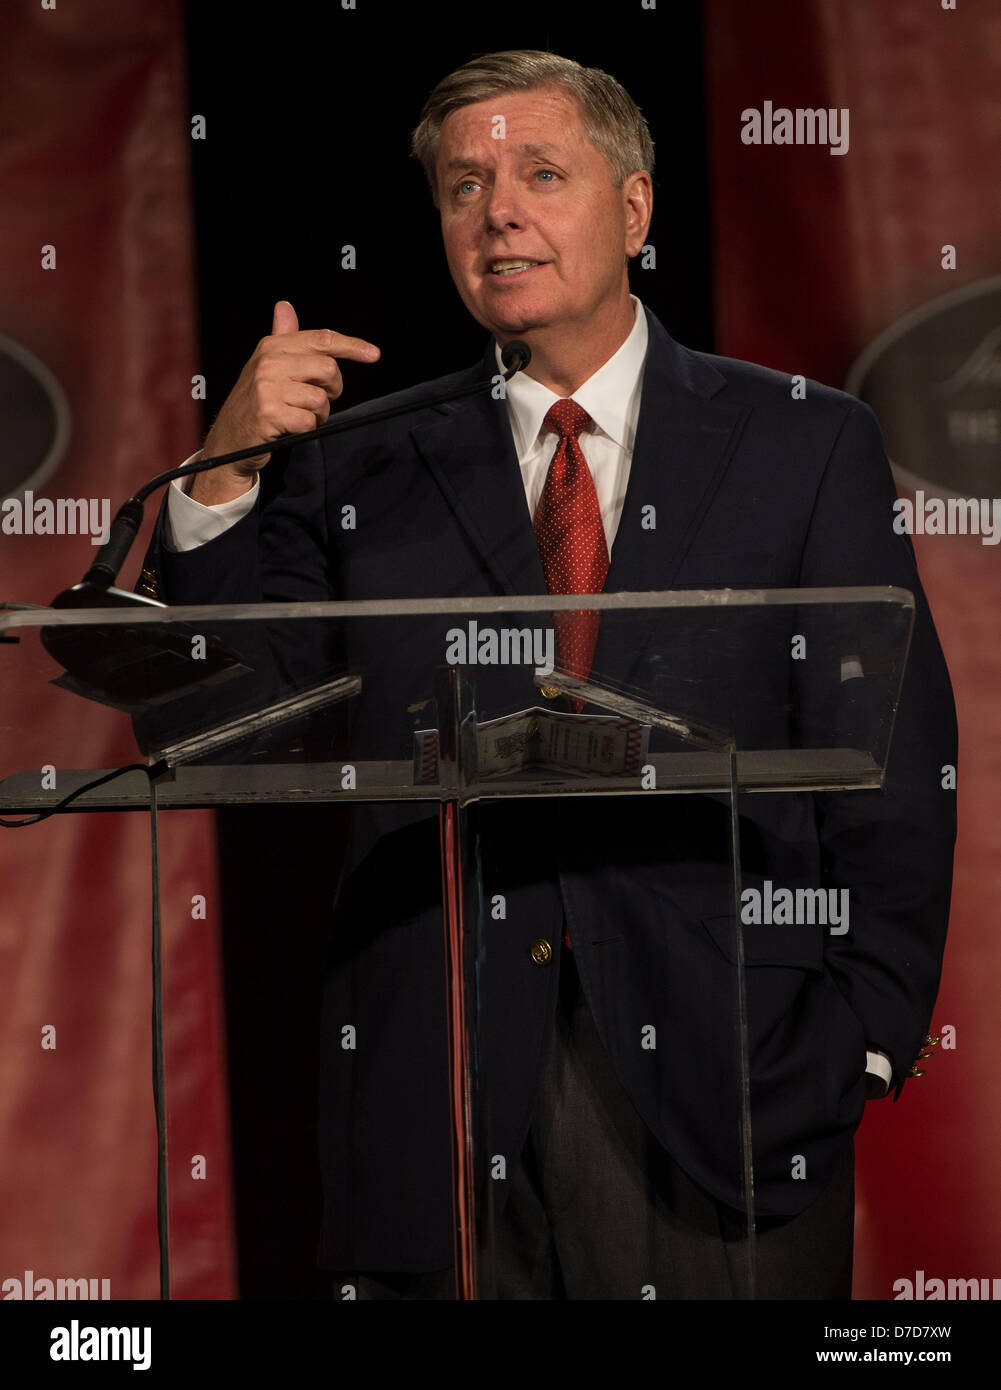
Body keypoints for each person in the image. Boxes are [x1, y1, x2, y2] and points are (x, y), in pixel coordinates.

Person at [139, 50, 956, 1299]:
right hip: (441, 1089)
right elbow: (232, 715)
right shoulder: (362, 459)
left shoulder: (800, 438)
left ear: (632, 208)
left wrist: (864, 1035)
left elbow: (892, 747)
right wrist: (219, 480)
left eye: (538, 172)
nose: (497, 209)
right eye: (462, 185)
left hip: (732, 1079)